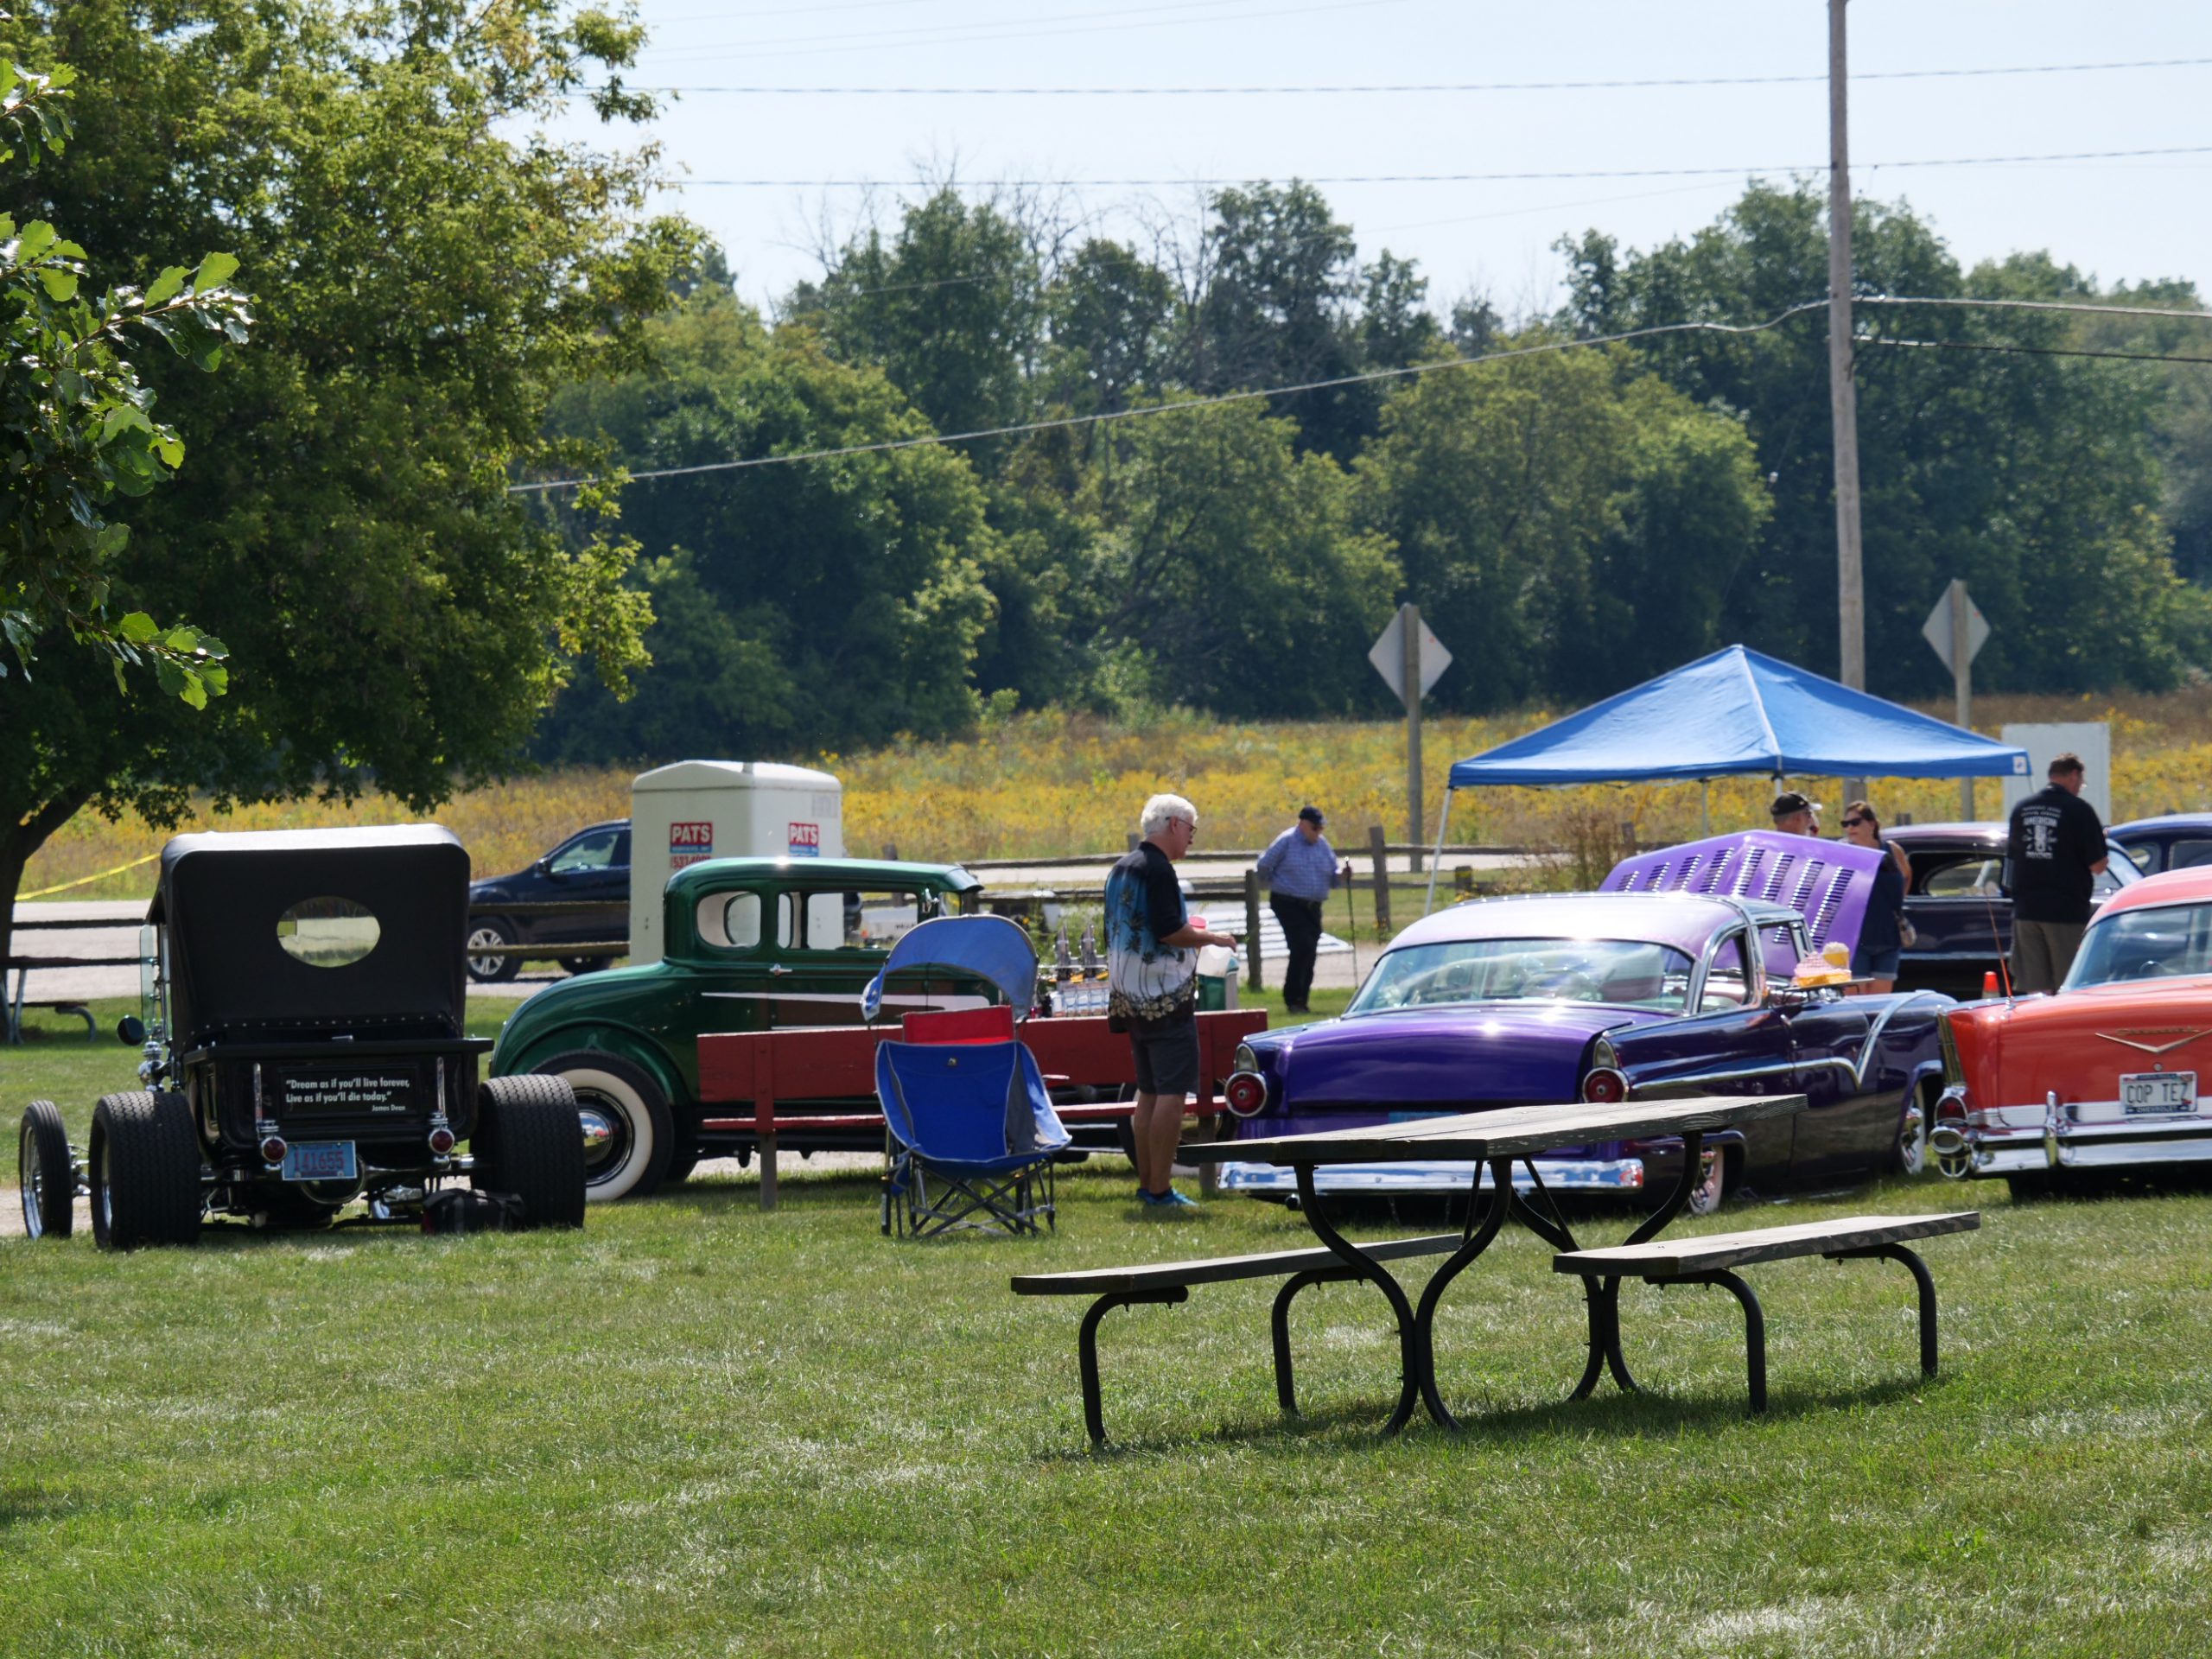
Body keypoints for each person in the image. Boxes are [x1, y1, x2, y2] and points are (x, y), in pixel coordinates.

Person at [1104, 793, 1224, 1211]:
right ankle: (1159, 1191)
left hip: (1130, 998)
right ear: (1173, 825)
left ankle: (1148, 1185)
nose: (1191, 838)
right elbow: (1170, 931)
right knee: (1172, 1094)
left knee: (1149, 1093)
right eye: (1191, 830)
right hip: (1164, 998)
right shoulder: (1159, 870)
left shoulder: (1122, 868)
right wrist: (1213, 937)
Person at [2005, 752, 2108, 993]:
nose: (2081, 787)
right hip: (2065, 912)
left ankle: (2036, 1030)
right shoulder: (2079, 810)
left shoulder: (2021, 808)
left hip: (2026, 912)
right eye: (2081, 782)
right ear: (2073, 776)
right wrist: (2100, 844)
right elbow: (2098, 866)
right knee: (2069, 985)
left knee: (2035, 989)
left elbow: (2012, 858)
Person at [1255, 804, 1353, 1015]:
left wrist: (1342, 875)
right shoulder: (1287, 841)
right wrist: (1276, 883)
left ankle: (1302, 999)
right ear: (1302, 824)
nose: (1318, 833)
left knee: (1309, 951)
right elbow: (1264, 865)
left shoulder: (1322, 845)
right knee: (1302, 946)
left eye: (1321, 829)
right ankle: (1293, 998)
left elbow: (1332, 875)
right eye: (1315, 828)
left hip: (1312, 907)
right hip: (1288, 903)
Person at [1840, 800, 1912, 994]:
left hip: (1888, 936)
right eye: (1845, 824)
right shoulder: (1844, 852)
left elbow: (1906, 874)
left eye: (1855, 822)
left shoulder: (1893, 850)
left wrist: (1897, 902)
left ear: (1872, 824)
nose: (1850, 828)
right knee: (1855, 1002)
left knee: (1879, 1001)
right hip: (1855, 938)